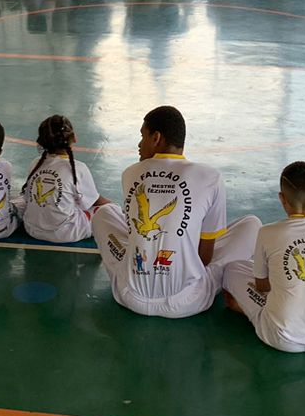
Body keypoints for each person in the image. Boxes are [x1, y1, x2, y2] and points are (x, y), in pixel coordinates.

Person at [91, 105, 259, 319]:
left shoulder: (131, 173)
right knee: (251, 225)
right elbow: (205, 257)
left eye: (142, 136)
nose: (139, 145)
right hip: (188, 301)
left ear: (156, 138)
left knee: (103, 214)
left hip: (131, 295)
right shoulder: (210, 177)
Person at [221, 162, 305, 354]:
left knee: (233, 270)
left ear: (282, 198)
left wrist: (284, 281)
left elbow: (263, 286)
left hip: (281, 337)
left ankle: (250, 308)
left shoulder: (267, 232)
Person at [20, 115, 100, 243]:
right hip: (65, 233)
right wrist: (115, 207)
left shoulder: (36, 163)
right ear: (74, 137)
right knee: (105, 211)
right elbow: (94, 201)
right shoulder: (78, 168)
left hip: (32, 229)